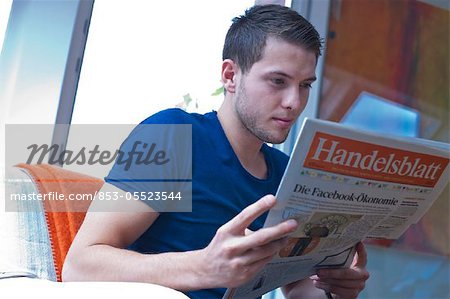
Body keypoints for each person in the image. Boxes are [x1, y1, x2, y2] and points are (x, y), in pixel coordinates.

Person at [63, 4, 369, 299]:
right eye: (278, 81)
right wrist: (204, 267)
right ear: (230, 76)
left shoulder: (286, 173)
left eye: (305, 85)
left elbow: (297, 288)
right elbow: (80, 266)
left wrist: (333, 289)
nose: (294, 101)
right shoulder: (173, 135)